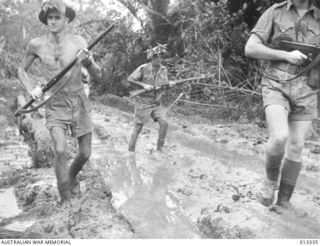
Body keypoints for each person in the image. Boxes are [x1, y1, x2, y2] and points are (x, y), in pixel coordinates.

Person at [18, 0, 102, 203]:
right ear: (46, 20)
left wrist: (88, 62)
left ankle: (71, 175)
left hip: (79, 100)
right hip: (55, 102)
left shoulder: (78, 42)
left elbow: (98, 75)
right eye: (50, 18)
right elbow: (21, 70)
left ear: (66, 20)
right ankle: (64, 196)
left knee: (85, 153)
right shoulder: (36, 44)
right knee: (60, 150)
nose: (53, 22)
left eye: (57, 17)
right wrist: (32, 90)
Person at [245, 0, 320, 212]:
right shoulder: (275, 13)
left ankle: (284, 200)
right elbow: (251, 48)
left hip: (308, 88)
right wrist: (285, 55)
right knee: (279, 136)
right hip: (276, 84)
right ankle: (270, 181)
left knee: (296, 146)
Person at [127, 44, 171, 152]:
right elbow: (130, 79)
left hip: (156, 102)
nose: (159, 59)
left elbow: (164, 86)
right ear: (152, 57)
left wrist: (168, 87)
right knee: (138, 127)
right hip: (143, 101)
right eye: (157, 57)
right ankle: (130, 151)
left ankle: (159, 150)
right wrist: (144, 85)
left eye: (161, 57)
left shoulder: (164, 70)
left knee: (164, 124)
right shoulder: (144, 68)